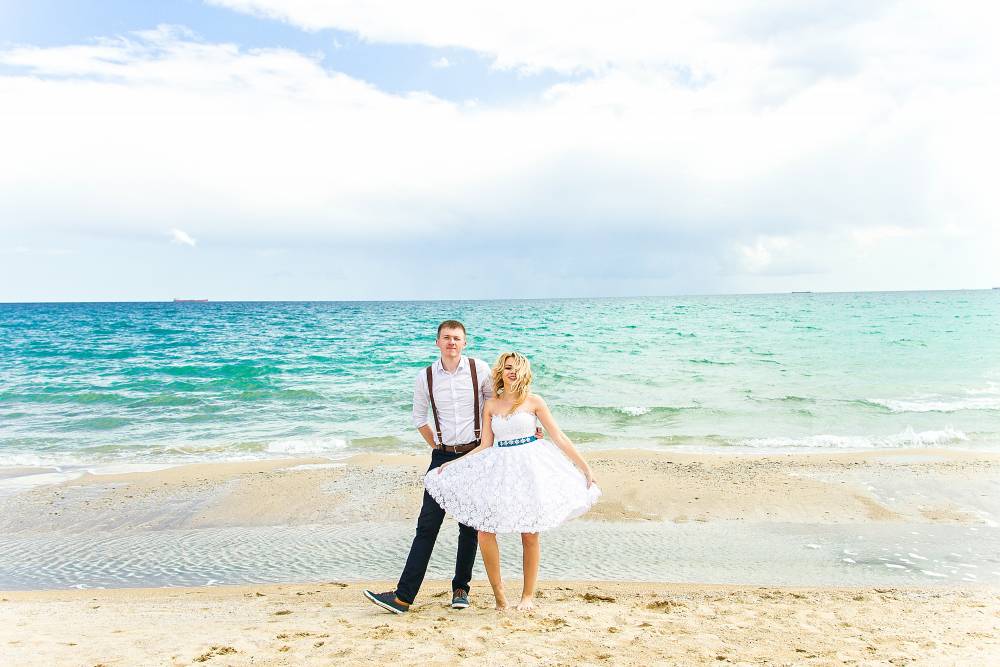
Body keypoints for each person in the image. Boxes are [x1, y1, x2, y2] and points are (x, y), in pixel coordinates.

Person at [363, 320, 540, 614]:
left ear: (464, 342)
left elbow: (498, 406)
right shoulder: (425, 377)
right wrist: (438, 446)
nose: (451, 343)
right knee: (427, 525)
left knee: (469, 526)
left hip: (476, 453)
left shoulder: (479, 369)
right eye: (446, 338)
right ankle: (403, 598)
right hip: (443, 456)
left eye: (457, 338)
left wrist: (529, 427)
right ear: (437, 342)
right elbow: (419, 418)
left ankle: (461, 590)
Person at [424, 351, 600, 611]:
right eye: (508, 367)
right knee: (485, 531)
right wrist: (454, 464)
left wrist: (585, 468)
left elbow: (559, 436)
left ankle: (527, 596)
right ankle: (500, 597)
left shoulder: (534, 401)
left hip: (529, 468)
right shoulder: (491, 405)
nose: (512, 371)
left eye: (517, 367)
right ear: (501, 372)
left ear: (524, 372)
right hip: (500, 469)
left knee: (529, 533)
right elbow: (485, 444)